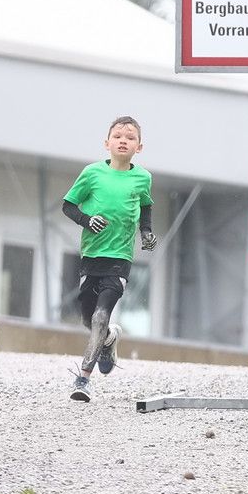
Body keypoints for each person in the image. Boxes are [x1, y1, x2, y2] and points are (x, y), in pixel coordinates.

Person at [62, 116, 157, 402]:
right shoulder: (92, 173)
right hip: (92, 255)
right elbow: (68, 205)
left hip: (120, 258)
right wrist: (87, 220)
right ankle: (109, 339)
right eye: (117, 136)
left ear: (139, 147)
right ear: (107, 143)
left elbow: (146, 206)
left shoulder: (143, 178)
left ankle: (83, 379)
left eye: (130, 137)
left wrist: (146, 232)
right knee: (88, 319)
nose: (123, 141)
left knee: (101, 315)